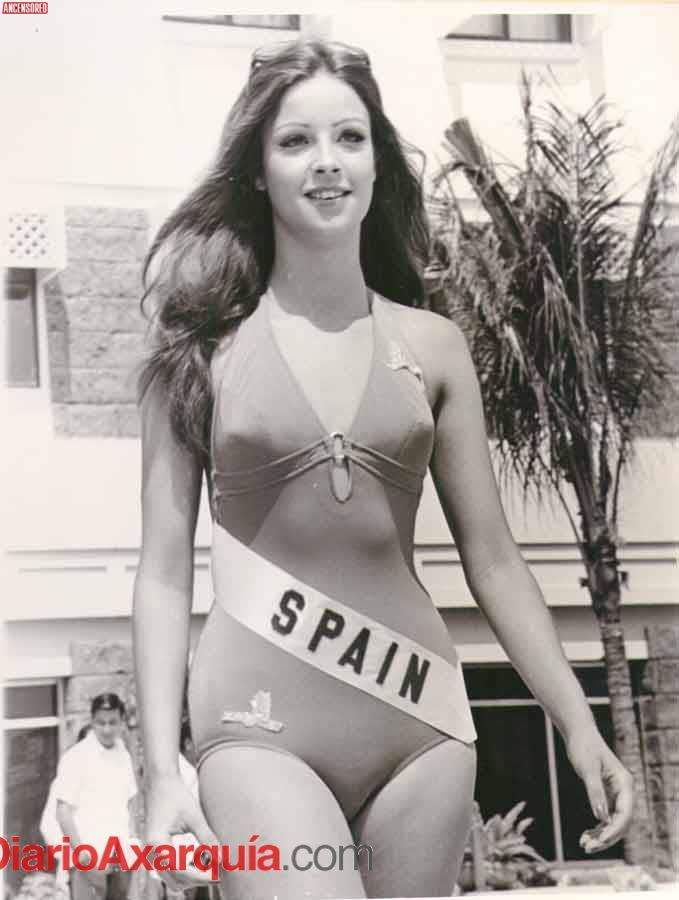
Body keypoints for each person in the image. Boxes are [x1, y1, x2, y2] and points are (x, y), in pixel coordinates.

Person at [133, 38, 635, 900]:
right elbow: (163, 572)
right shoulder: (197, 352)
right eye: (295, 141)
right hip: (257, 726)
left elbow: (493, 560)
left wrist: (577, 724)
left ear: (375, 163)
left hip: (418, 723)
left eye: (349, 138)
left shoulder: (433, 347)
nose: (326, 161)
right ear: (256, 170)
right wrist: (158, 771)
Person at [55, 694, 138, 900]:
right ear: (92, 721)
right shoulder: (76, 757)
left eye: (113, 722)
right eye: (101, 723)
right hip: (89, 858)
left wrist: (133, 842)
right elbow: (63, 811)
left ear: (121, 722)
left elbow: (130, 803)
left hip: (120, 859)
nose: (107, 729)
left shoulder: (124, 754)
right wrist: (81, 853)